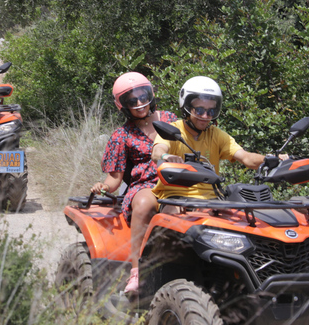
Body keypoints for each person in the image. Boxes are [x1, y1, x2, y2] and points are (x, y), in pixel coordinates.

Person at [90, 72, 177, 295]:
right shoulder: (121, 135)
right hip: (145, 185)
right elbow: (115, 178)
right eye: (132, 100)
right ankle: (136, 271)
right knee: (145, 204)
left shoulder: (170, 119)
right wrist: (104, 186)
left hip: (179, 181)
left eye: (143, 96)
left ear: (151, 94)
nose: (139, 103)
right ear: (123, 105)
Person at [151, 76, 287, 201]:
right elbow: (157, 151)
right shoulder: (174, 131)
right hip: (175, 197)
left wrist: (271, 159)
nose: (205, 116)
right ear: (187, 108)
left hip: (213, 200)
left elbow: (246, 158)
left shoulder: (216, 135)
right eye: (199, 110)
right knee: (174, 221)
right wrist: (166, 156)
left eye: (211, 111)